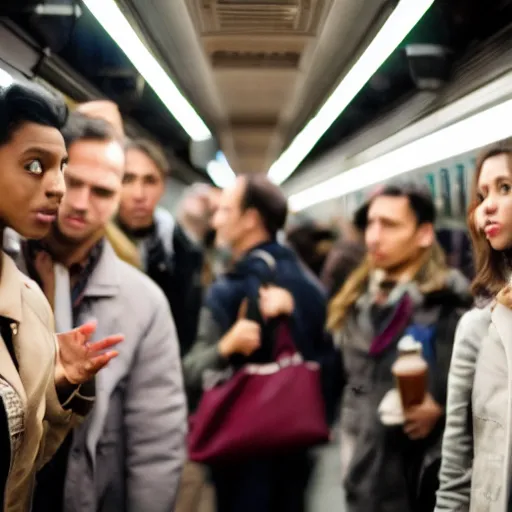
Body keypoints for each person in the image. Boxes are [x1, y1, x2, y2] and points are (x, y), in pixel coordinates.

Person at [12, 112, 187, 511]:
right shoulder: (5, 272)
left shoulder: (143, 302)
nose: (78, 203)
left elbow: (156, 440)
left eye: (102, 191)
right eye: (71, 181)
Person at [0, 82, 122, 511]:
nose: (58, 187)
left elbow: (25, 466)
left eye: (61, 168)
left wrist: (58, 386)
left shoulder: (29, 301)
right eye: (35, 165)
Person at [184, 174, 327, 512]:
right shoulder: (309, 284)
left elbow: (191, 372)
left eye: (224, 210)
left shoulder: (230, 288)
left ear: (250, 219)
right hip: (296, 445)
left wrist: (225, 347)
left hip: (238, 450)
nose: (215, 219)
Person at [328, 183, 472, 512]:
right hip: (363, 475)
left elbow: (471, 394)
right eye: (371, 224)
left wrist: (442, 411)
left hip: (418, 481)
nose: (374, 237)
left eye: (390, 225)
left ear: (423, 234)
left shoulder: (447, 304)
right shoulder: (355, 298)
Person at [435, 139, 512, 512]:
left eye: (506, 188)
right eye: (482, 195)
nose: (487, 207)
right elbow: (455, 471)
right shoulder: (478, 328)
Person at [114, 138, 212, 356]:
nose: (139, 194)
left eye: (149, 181)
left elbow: (186, 332)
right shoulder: (90, 244)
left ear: (163, 187)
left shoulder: (184, 254)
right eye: (127, 179)